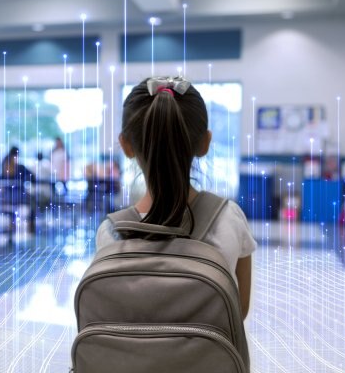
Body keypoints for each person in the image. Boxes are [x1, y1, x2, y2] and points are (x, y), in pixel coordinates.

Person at [95, 77, 257, 319]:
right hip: (209, 358)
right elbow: (238, 312)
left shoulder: (110, 233)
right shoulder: (229, 218)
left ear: (126, 145)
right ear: (205, 143)